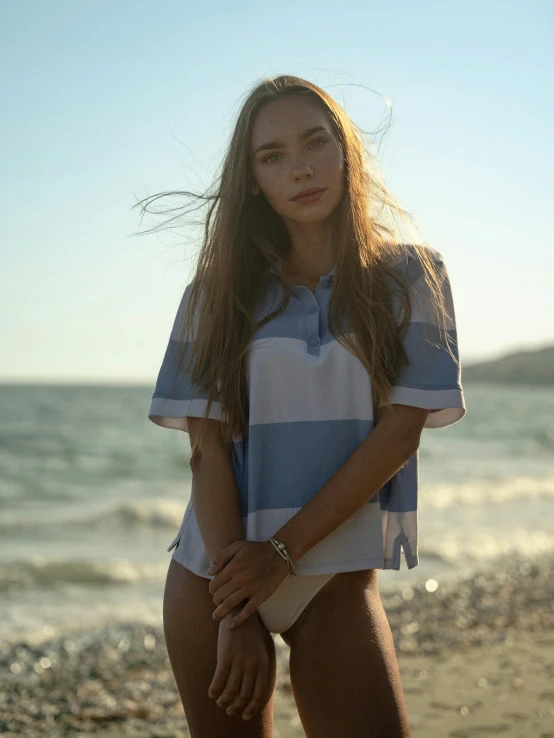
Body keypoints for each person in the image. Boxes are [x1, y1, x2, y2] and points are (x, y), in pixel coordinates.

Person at [143, 74, 466, 737]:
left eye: (315, 143)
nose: (300, 168)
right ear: (254, 180)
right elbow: (206, 450)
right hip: (215, 577)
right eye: (273, 156)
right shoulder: (216, 294)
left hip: (332, 579)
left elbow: (399, 437)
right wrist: (236, 611)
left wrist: (281, 559)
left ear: (346, 151)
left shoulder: (412, 278)